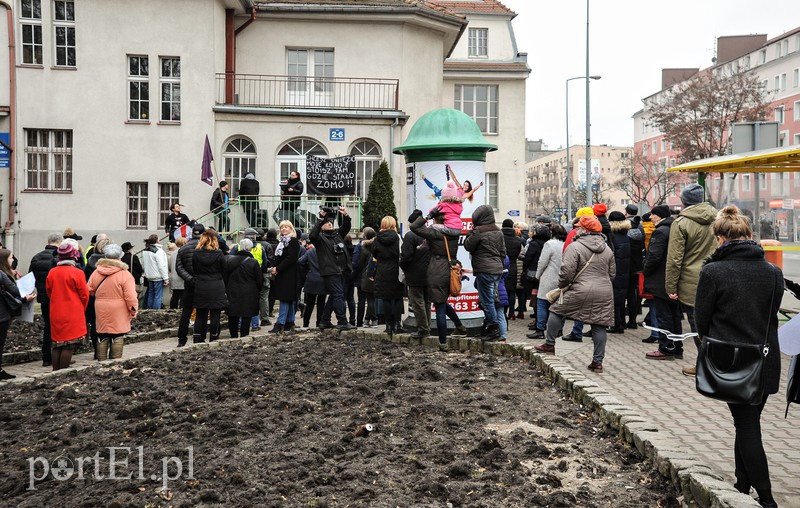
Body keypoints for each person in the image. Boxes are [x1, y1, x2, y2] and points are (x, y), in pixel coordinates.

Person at [694, 205, 782, 508]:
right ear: (749, 235)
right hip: (766, 361)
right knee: (747, 421)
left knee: (747, 426)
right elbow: (772, 316)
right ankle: (741, 483)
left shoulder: (713, 271)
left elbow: (701, 320)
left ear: (720, 238)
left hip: (731, 362)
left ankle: (767, 498)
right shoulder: (773, 272)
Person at [535, 215, 615, 373]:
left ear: (585, 229)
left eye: (578, 227)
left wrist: (563, 286)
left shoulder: (575, 246)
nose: (576, 229)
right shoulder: (607, 249)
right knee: (599, 324)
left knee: (556, 310)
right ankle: (597, 362)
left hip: (580, 288)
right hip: (604, 290)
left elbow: (567, 272)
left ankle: (549, 344)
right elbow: (612, 273)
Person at [665, 183, 717, 376]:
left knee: (697, 326)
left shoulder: (681, 223)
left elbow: (674, 259)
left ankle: (705, 367)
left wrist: (670, 286)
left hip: (691, 282)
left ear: (684, 201)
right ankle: (715, 364)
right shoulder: (717, 218)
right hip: (716, 277)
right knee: (715, 325)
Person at [409, 207, 468, 350]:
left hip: (437, 270)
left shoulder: (435, 233)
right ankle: (460, 327)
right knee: (441, 301)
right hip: (451, 268)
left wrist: (428, 215)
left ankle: (443, 342)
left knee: (439, 306)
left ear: (436, 218)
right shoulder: (454, 233)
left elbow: (414, 227)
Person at [643, 205, 683, 360]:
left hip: (660, 280)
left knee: (664, 315)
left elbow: (654, 256)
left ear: (659, 216)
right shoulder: (674, 229)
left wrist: (645, 270)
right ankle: (677, 348)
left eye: (653, 215)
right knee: (674, 315)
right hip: (672, 278)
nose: (651, 217)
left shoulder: (660, 231)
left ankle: (666, 348)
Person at [86, 244, 137, 361]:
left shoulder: (96, 272)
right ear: (120, 256)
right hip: (119, 308)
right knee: (118, 334)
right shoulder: (125, 274)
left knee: (102, 334)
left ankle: (101, 360)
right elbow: (131, 297)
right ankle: (115, 361)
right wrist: (133, 310)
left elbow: (89, 290)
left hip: (100, 306)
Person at [465, 204, 507, 341]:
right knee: (491, 299)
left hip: (485, 270)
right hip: (497, 270)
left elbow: (468, 245)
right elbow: (503, 252)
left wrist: (470, 234)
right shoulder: (498, 230)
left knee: (486, 301)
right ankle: (487, 327)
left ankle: (493, 328)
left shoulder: (479, 230)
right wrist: (499, 266)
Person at [310, 205, 355, 330]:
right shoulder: (320, 238)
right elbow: (312, 236)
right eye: (327, 223)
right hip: (330, 271)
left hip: (342, 270)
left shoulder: (337, 235)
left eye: (331, 222)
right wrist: (320, 219)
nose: (330, 224)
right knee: (338, 295)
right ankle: (342, 321)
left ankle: (325, 321)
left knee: (335, 296)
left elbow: (346, 226)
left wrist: (345, 214)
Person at [46, 243, 90, 371]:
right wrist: (81, 308)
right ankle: (62, 373)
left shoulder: (52, 272)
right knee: (68, 345)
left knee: (57, 344)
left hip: (56, 310)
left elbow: (49, 291)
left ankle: (55, 371)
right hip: (73, 311)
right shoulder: (77, 272)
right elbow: (84, 295)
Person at [0, 249, 36, 380]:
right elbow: (15, 291)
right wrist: (25, 298)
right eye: (10, 258)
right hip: (2, 314)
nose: (13, 260)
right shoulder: (2, 274)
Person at [527, 224, 567, 340]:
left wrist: (538, 275)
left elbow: (542, 262)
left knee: (542, 304)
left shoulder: (549, 244)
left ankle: (540, 330)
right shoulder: (565, 245)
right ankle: (559, 330)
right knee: (558, 305)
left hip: (548, 278)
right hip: (561, 279)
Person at [28, 232, 62, 367]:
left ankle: (46, 357)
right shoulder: (60, 258)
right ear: (60, 242)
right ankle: (58, 355)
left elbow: (31, 278)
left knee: (48, 326)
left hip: (43, 298)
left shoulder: (36, 257)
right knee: (59, 327)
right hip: (58, 298)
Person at [371, 216, 405, 335]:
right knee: (397, 298)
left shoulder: (377, 238)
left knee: (385, 299)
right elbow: (403, 252)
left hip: (382, 270)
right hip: (396, 270)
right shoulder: (398, 238)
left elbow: (374, 252)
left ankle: (388, 325)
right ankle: (397, 324)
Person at [224, 238, 264, 338]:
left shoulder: (229, 260)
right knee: (246, 315)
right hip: (249, 292)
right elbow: (260, 280)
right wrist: (256, 290)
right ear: (250, 249)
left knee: (233, 315)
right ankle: (244, 335)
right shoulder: (253, 262)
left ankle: (233, 336)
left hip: (232, 291)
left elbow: (225, 277)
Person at [191, 230, 227, 343]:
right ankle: (213, 336)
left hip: (201, 284)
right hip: (216, 285)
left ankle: (198, 337)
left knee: (200, 313)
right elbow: (224, 269)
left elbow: (194, 269)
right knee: (215, 313)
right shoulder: (219, 253)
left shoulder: (196, 253)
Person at [401, 215, 431, 339]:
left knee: (417, 302)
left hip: (414, 273)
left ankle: (423, 329)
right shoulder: (430, 234)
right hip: (430, 273)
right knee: (427, 301)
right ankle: (427, 326)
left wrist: (404, 267)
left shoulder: (410, 235)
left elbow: (406, 256)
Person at [175, 223, 205, 347]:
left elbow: (179, 268)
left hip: (189, 284)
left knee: (186, 312)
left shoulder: (183, 249)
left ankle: (182, 339)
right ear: (203, 234)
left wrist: (190, 279)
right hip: (203, 283)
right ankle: (199, 337)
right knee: (201, 311)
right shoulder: (204, 248)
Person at [270, 220, 300, 333]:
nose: (283, 229)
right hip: (283, 274)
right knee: (289, 299)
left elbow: (291, 258)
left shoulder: (293, 241)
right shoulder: (281, 242)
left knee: (285, 298)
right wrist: (274, 267)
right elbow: (278, 257)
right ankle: (289, 321)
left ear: (291, 229)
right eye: (282, 227)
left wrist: (278, 268)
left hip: (289, 274)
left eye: (286, 227)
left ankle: (280, 323)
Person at [85, 237, 111, 359]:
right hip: (109, 298)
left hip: (92, 297)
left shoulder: (89, 263)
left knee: (95, 324)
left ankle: (97, 351)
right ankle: (106, 350)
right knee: (108, 325)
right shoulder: (110, 264)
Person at [607, 211, 631, 334]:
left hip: (615, 270)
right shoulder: (626, 234)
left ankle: (617, 325)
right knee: (621, 297)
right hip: (625, 270)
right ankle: (621, 322)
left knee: (614, 298)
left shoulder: (612, 236)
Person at [624, 205, 645, 329]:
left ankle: (622, 320)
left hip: (626, 264)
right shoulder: (640, 226)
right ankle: (632, 320)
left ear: (626, 212)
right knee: (633, 294)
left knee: (624, 293)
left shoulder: (624, 225)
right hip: (637, 264)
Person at [353, 227, 378, 327]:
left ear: (365, 236)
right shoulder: (377, 246)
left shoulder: (362, 247)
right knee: (372, 298)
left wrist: (355, 274)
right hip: (376, 275)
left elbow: (357, 263)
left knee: (364, 300)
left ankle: (364, 320)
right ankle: (368, 319)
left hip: (364, 276)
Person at [299, 244, 326, 329]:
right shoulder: (326, 252)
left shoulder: (310, 252)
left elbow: (300, 261)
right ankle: (319, 323)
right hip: (323, 279)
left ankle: (306, 323)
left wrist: (307, 267)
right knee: (321, 304)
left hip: (311, 279)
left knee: (310, 304)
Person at [501, 219, 522, 321]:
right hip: (513, 265)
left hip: (502, 265)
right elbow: (518, 253)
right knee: (512, 291)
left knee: (502, 289)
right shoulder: (517, 240)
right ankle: (512, 312)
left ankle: (503, 312)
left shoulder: (500, 238)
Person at [142, 234, 169, 309]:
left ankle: (149, 311)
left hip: (149, 276)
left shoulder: (145, 250)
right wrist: (166, 278)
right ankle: (156, 311)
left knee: (151, 294)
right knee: (158, 296)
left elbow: (144, 263)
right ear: (157, 241)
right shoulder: (158, 251)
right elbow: (161, 266)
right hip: (158, 276)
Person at [121, 242, 144, 308]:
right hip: (133, 278)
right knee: (133, 294)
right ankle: (133, 307)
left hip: (123, 278)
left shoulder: (120, 258)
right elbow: (139, 268)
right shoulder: (133, 257)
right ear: (129, 249)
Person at [513, 221, 529, 319]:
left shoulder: (521, 240)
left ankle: (519, 309)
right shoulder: (524, 239)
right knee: (521, 290)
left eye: (517, 227)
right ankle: (521, 309)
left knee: (516, 290)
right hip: (521, 267)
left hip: (516, 266)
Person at [168, 238, 187, 309]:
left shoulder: (173, 254)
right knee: (183, 296)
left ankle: (172, 309)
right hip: (182, 277)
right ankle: (181, 309)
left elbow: (169, 266)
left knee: (175, 295)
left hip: (174, 277)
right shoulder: (184, 252)